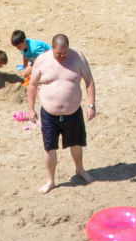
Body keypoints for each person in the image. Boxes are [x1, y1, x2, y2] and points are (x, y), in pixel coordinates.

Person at [27, 33, 99, 191]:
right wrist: (30, 109)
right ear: (52, 48)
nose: (63, 56)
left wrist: (91, 105)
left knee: (77, 143)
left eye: (65, 52)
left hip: (73, 111)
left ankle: (80, 169)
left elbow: (89, 81)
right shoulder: (42, 60)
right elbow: (32, 85)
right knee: (49, 147)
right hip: (49, 113)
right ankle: (50, 180)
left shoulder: (78, 57)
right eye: (59, 53)